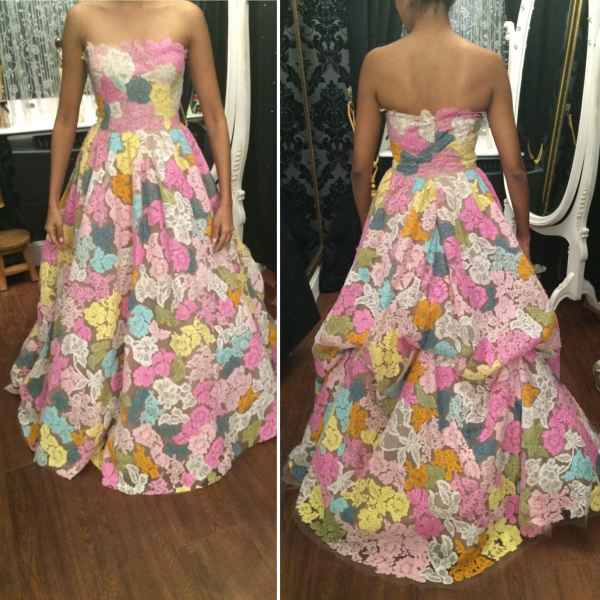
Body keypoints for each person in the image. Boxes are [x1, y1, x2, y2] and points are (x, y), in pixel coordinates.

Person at [286, 0, 600, 585]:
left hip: (401, 209)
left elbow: (360, 166)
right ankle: (490, 471)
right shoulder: (485, 63)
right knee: (485, 330)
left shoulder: (379, 62)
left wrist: (374, 224)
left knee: (384, 331)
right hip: (466, 208)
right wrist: (522, 236)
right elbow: (513, 166)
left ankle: (383, 471)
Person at [6, 0, 276, 495]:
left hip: (173, 177)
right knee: (102, 295)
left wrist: (225, 195)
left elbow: (215, 117)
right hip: (106, 178)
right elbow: (65, 118)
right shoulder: (83, 17)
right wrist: (52, 201)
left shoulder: (186, 15)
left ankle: (189, 396)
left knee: (183, 295)